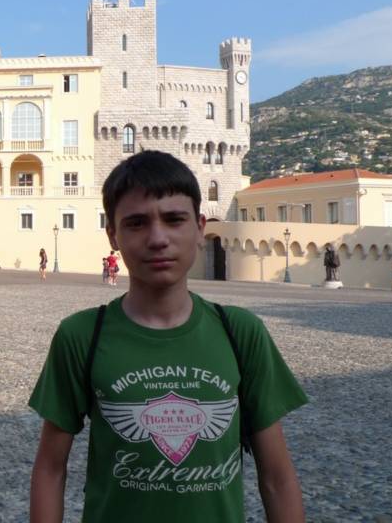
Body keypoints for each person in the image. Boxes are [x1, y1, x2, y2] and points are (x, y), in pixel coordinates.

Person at [29, 151, 307, 523]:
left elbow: (277, 478)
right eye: (136, 223)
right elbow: (50, 469)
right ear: (113, 235)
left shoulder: (241, 333)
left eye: (174, 219)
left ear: (200, 228)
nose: (158, 238)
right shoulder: (81, 336)